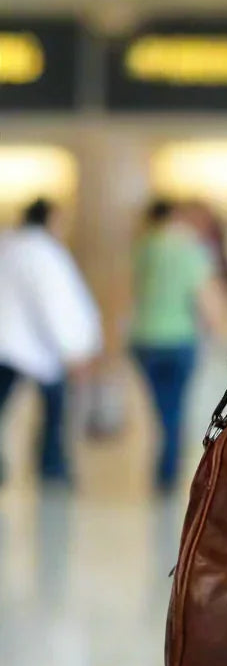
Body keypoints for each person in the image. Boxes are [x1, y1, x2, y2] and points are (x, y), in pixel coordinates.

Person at [0, 198, 102, 487]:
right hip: (36, 348)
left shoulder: (8, 244)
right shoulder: (42, 252)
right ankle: (52, 468)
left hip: (10, 344)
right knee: (55, 412)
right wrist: (74, 349)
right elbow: (55, 304)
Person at [130, 199, 219, 496]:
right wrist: (217, 331)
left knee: (161, 407)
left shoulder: (143, 249)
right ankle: (168, 473)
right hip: (180, 339)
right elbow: (205, 298)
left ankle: (164, 468)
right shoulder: (191, 251)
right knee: (177, 406)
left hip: (144, 339)